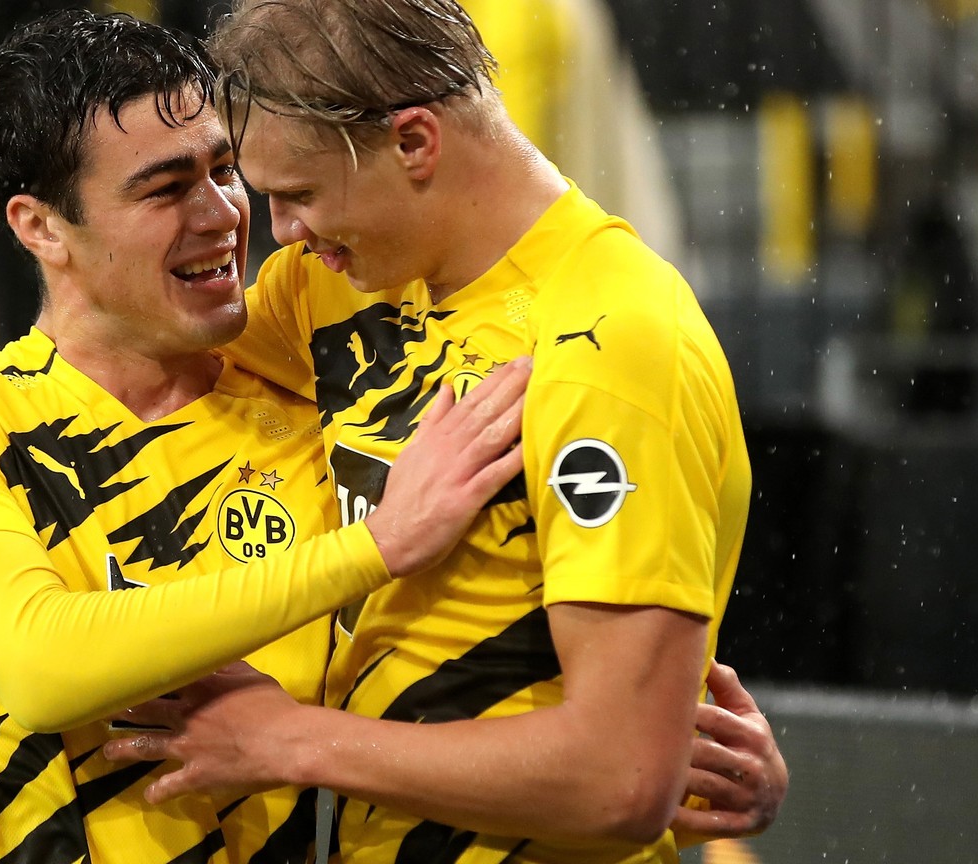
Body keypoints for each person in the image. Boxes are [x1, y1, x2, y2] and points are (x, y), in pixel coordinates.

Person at [0, 2, 788, 860]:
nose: (252, 226)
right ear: (40, 226)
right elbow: (40, 659)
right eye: (167, 188)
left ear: (411, 145)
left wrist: (647, 763)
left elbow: (617, 766)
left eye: (249, 179)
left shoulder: (578, 338)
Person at [88, 1, 765, 861]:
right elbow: (101, 384)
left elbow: (623, 781)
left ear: (413, 143)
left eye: (298, 195)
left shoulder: (614, 341)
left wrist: (286, 741)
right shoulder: (335, 286)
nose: (283, 234)